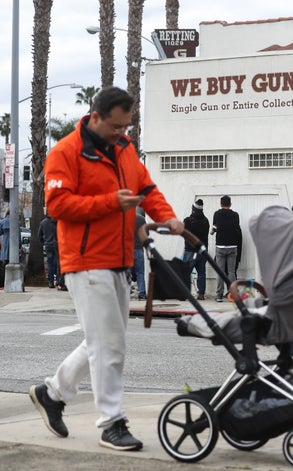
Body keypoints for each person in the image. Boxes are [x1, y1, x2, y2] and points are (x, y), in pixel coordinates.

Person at [30, 86, 183, 452]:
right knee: (109, 345)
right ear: (95, 117)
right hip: (85, 261)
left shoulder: (125, 150)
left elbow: (146, 188)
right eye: (116, 126)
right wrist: (110, 203)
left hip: (119, 259)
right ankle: (111, 422)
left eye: (126, 127)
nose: (122, 133)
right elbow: (58, 205)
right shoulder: (66, 152)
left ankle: (52, 393)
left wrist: (169, 217)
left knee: (102, 341)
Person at [211, 195, 241, 302]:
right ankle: (232, 294)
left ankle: (219, 295)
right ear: (230, 204)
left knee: (220, 271)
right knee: (231, 272)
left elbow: (214, 228)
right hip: (233, 246)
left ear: (221, 204)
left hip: (220, 246)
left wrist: (212, 232)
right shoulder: (235, 215)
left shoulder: (217, 214)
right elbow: (237, 228)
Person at [183, 199, 210, 300]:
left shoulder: (187, 221)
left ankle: (185, 294)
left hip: (190, 250)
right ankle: (201, 294)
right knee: (201, 273)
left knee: (186, 272)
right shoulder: (206, 221)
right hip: (202, 251)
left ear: (193, 209)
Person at [38, 213, 59, 288]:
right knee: (57, 263)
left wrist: (44, 242)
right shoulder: (57, 221)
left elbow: (39, 235)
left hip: (48, 244)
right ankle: (58, 280)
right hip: (57, 244)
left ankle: (51, 281)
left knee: (50, 263)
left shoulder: (43, 222)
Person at [131, 208, 147, 300]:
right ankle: (142, 294)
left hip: (128, 250)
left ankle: (126, 292)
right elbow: (146, 234)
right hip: (139, 250)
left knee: (127, 273)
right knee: (140, 273)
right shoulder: (142, 220)